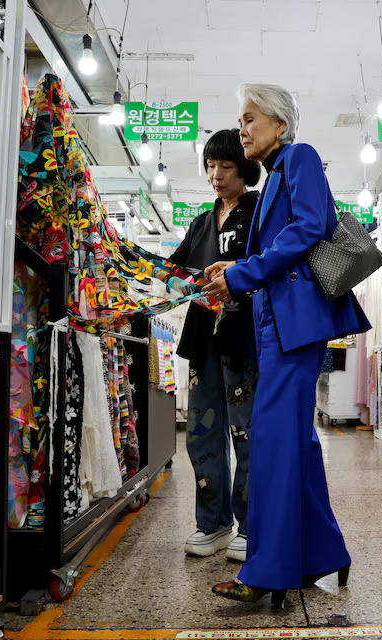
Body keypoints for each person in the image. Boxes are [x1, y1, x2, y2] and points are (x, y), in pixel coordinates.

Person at [203, 84, 371, 607]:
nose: (243, 129)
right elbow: (286, 241)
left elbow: (308, 229)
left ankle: (268, 571)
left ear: (279, 125)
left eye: (251, 119)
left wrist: (245, 272)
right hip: (282, 324)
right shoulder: (278, 175)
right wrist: (237, 267)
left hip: (292, 326)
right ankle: (323, 552)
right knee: (295, 443)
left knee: (273, 444)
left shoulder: (298, 158)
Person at [168, 129, 262, 562]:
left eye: (225, 167)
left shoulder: (260, 212)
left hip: (243, 336)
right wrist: (178, 280)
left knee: (246, 433)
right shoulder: (201, 222)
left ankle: (250, 525)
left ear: (244, 170)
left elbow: (270, 265)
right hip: (202, 338)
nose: (216, 175)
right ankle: (214, 522)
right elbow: (175, 267)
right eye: (210, 166)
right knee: (202, 432)